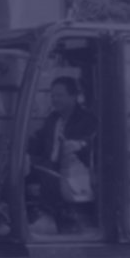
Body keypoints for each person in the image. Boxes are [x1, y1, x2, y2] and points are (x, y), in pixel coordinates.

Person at [27, 76, 97, 234]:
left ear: (73, 96)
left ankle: (48, 216)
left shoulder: (87, 120)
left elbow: (92, 143)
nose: (55, 99)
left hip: (73, 172)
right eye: (52, 96)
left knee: (50, 174)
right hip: (48, 165)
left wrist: (79, 144)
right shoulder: (53, 119)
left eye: (59, 95)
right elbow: (39, 141)